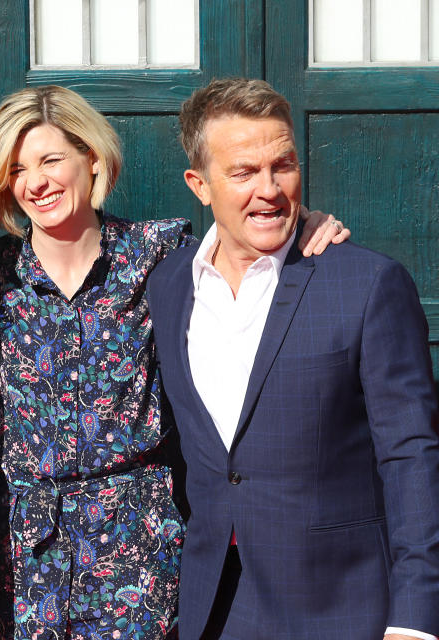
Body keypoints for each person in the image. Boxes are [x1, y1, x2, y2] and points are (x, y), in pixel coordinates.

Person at [0, 85, 348, 639]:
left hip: (138, 546)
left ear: (92, 159)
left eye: (51, 159)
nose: (36, 182)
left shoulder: (161, 255)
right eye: (17, 168)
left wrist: (306, 224)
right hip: (23, 555)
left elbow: (249, 235)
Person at [146, 77, 439, 640]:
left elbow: (413, 458)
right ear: (198, 185)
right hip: (214, 606)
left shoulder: (367, 283)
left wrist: (415, 618)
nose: (270, 189)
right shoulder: (167, 285)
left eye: (283, 165)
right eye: (243, 172)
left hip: (343, 608)